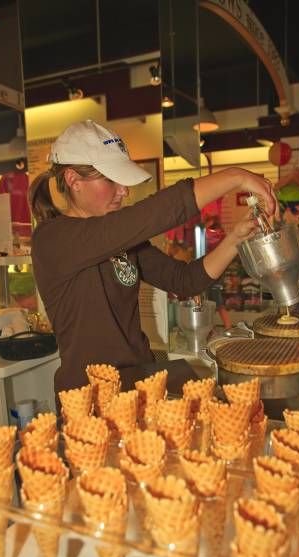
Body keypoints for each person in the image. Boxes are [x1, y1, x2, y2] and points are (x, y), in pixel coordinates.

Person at [30, 119, 278, 395]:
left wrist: (236, 238)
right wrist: (235, 176)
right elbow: (160, 211)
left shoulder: (120, 239)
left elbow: (185, 281)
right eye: (112, 180)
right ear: (73, 180)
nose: (123, 191)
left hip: (139, 383)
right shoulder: (52, 240)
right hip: (89, 398)